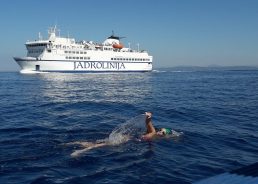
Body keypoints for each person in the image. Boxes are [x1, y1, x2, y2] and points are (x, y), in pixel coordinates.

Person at [66, 112, 177, 157]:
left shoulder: (154, 136)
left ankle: (74, 144)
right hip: (127, 139)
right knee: (103, 144)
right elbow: (150, 126)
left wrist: (149, 119)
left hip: (130, 139)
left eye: (162, 132)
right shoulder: (153, 134)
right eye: (160, 130)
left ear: (164, 135)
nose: (159, 131)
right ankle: (80, 150)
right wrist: (149, 118)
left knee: (102, 142)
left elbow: (151, 132)